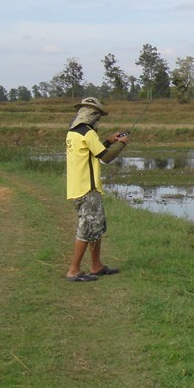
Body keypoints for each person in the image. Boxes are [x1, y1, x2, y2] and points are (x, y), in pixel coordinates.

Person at [65, 97, 129, 281]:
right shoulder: (88, 133)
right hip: (88, 188)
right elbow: (105, 158)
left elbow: (95, 151)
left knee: (95, 227)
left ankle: (96, 266)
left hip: (77, 187)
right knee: (86, 229)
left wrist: (109, 141)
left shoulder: (73, 133)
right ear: (92, 114)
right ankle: (74, 271)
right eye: (98, 115)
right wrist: (121, 143)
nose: (98, 119)